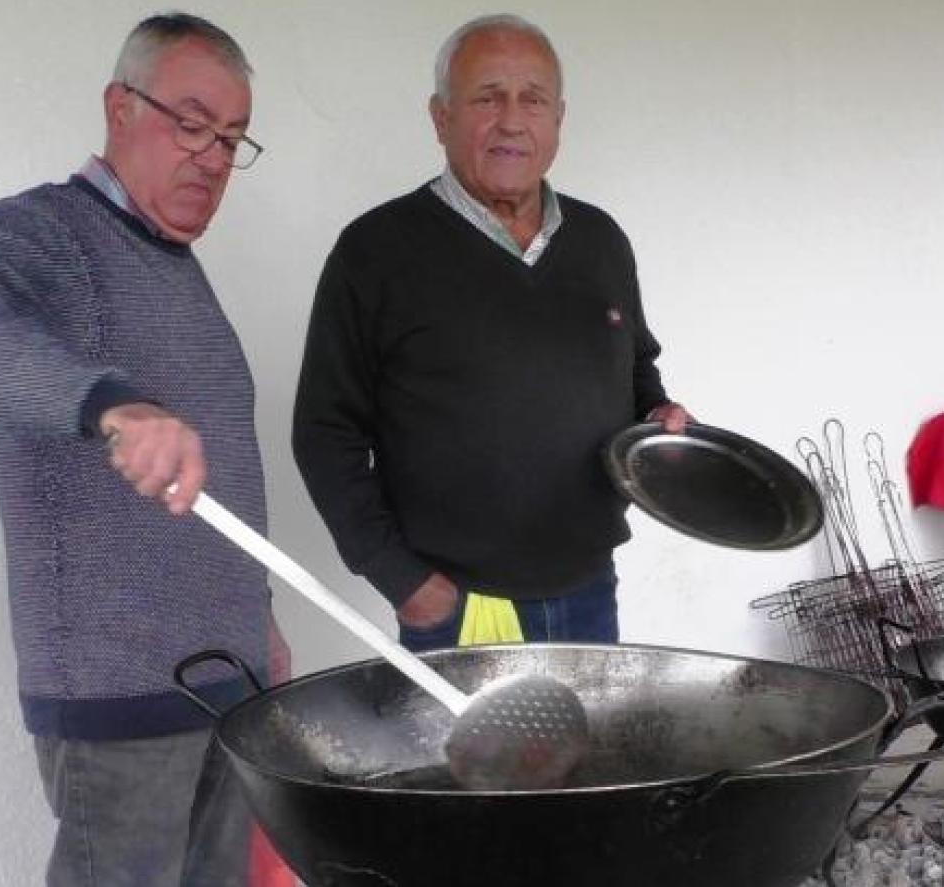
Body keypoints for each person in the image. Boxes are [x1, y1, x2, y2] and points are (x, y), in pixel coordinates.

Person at [0, 13, 281, 886]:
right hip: (120, 703)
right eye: (191, 123)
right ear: (120, 107)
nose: (215, 157)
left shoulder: (175, 264)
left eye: (232, 137)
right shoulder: (49, 234)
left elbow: (212, 479)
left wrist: (254, 618)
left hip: (228, 685)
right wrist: (109, 405)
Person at [292, 13, 689, 652]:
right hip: (457, 607)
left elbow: (637, 374)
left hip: (588, 587)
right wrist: (401, 578)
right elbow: (323, 433)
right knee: (472, 760)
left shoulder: (600, 241)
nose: (511, 120)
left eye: (532, 99)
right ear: (440, 117)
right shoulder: (376, 251)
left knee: (593, 755)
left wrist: (659, 415)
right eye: (487, 97)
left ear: (558, 118)